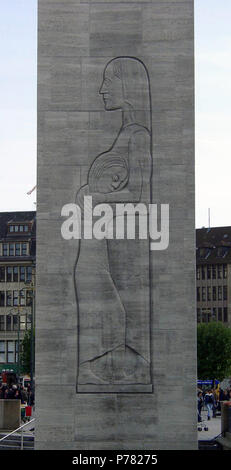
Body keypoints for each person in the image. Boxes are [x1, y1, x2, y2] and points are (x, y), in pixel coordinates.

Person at [75, 57, 153, 389]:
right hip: (116, 235)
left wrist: (93, 196)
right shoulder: (127, 131)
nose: (102, 89)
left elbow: (137, 193)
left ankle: (128, 364)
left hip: (129, 238)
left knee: (120, 297)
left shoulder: (138, 134)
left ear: (129, 86)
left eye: (109, 81)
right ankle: (113, 359)